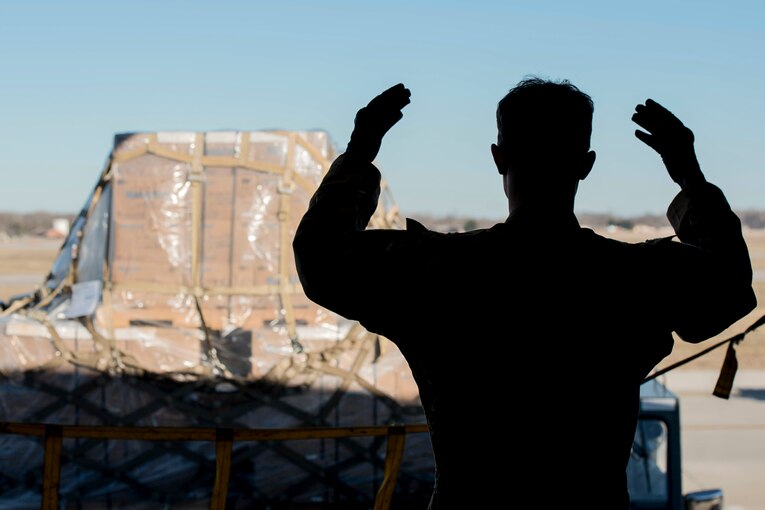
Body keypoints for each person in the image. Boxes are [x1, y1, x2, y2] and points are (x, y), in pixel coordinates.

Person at [292, 78, 756, 509]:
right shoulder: (635, 276)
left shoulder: (438, 271)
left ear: (498, 158)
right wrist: (689, 175)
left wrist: (360, 151)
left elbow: (321, 259)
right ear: (586, 165)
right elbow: (729, 288)